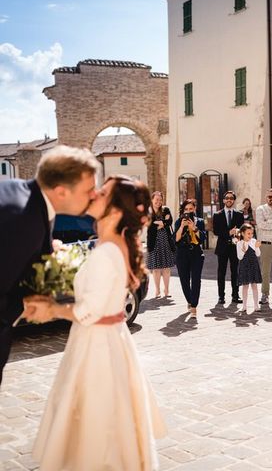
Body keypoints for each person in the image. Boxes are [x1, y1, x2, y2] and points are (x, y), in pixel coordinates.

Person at [23, 175, 166, 470]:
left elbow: (89, 311)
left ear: (114, 211)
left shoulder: (106, 253)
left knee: (95, 430)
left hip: (97, 347)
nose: (94, 193)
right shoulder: (112, 247)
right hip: (110, 340)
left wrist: (50, 309)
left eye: (102, 192)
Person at [0, 145, 99, 387]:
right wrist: (32, 304)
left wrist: (46, 249)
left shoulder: (17, 192)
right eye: (89, 189)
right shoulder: (26, 221)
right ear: (61, 191)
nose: (95, 195)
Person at [175, 199, 206, 318]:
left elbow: (203, 238)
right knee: (184, 280)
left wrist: (195, 228)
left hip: (197, 254)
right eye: (186, 209)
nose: (188, 211)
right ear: (183, 211)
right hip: (182, 254)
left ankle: (194, 306)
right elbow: (176, 239)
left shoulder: (200, 221)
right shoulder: (179, 222)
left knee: (196, 280)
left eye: (191, 209)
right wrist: (182, 227)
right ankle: (189, 300)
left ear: (195, 209)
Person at [213, 191, 245, 304]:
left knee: (235, 272)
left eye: (231, 198)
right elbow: (216, 231)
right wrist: (229, 232)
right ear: (223, 200)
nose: (229, 200)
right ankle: (221, 296)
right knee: (221, 273)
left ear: (234, 200)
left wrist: (237, 233)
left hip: (235, 248)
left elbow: (243, 231)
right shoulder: (217, 215)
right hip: (222, 248)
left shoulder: (239, 214)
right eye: (227, 198)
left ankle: (235, 296)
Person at [146, 191, 176, 298]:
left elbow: (170, 221)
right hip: (153, 243)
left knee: (166, 268)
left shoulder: (166, 210)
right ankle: (157, 290)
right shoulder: (148, 212)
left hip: (166, 242)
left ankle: (166, 290)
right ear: (152, 200)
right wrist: (163, 223)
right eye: (156, 200)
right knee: (156, 269)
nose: (158, 202)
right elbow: (149, 225)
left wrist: (159, 223)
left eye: (160, 200)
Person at [236, 224, 262, 313]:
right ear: (243, 233)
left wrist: (257, 247)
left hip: (253, 264)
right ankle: (244, 306)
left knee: (254, 285)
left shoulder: (254, 241)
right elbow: (239, 257)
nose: (250, 235)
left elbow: (258, 254)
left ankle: (256, 305)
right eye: (248, 233)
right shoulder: (239, 243)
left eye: (252, 233)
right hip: (244, 265)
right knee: (245, 286)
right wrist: (243, 251)